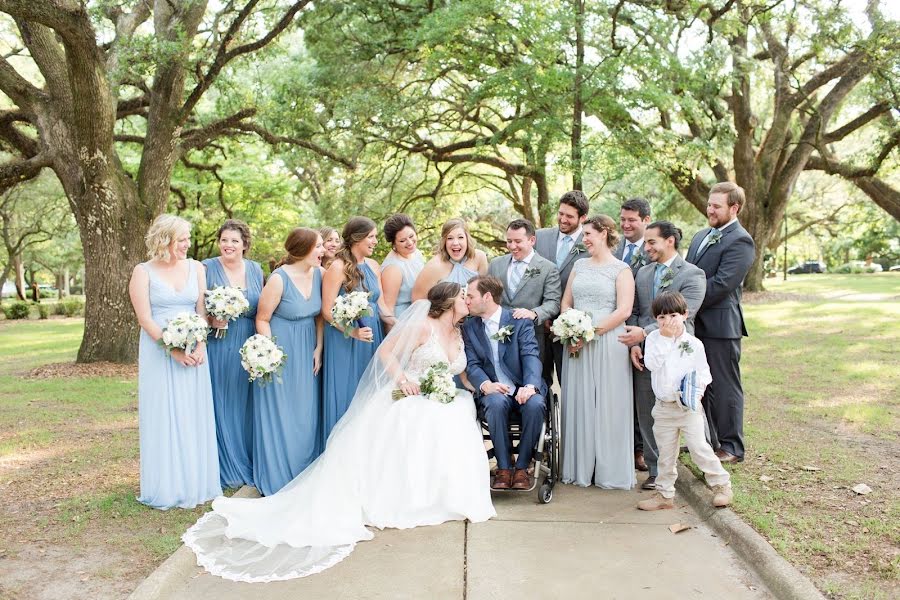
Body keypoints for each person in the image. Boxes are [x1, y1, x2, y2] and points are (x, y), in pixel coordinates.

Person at [183, 282, 495, 582]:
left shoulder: (458, 330)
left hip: (444, 398)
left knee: (458, 414)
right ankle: (410, 498)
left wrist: (483, 387)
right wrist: (403, 380)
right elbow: (386, 353)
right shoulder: (423, 326)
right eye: (462, 296)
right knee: (421, 420)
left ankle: (445, 495)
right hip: (410, 393)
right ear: (447, 302)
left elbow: (461, 371)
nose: (467, 300)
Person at [128, 214, 220, 509]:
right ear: (165, 240)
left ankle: (196, 481)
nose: (187, 245)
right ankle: (168, 484)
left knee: (193, 412)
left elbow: (202, 310)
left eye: (187, 239)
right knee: (165, 413)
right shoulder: (143, 272)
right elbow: (144, 318)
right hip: (159, 351)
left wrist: (201, 343)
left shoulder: (196, 268)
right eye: (182, 240)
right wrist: (173, 350)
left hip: (195, 350)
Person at [618, 221, 706, 491]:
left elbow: (681, 316)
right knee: (648, 412)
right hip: (645, 353)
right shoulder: (643, 273)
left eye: (651, 242)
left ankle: (704, 466)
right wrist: (635, 344)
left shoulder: (693, 274)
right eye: (646, 243)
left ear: (670, 241)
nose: (646, 248)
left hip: (679, 354)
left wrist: (643, 334)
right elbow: (634, 310)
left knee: (689, 409)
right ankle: (656, 471)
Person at [636, 291, 733, 511]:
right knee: (666, 453)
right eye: (661, 317)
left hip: (688, 407)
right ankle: (664, 494)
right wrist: (665, 339)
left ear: (685, 314)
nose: (667, 321)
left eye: (672, 315)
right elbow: (652, 364)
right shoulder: (653, 339)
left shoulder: (694, 343)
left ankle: (722, 485)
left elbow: (704, 373)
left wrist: (696, 392)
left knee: (699, 448)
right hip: (664, 407)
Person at [560, 214, 635, 489]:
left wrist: (590, 332)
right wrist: (571, 328)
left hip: (608, 341)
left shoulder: (621, 269)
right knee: (579, 402)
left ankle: (609, 471)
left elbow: (624, 310)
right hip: (576, 342)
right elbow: (566, 302)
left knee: (608, 403)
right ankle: (580, 468)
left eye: (588, 234)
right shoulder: (579, 265)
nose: (584, 239)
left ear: (603, 233)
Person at [685, 182, 755, 464]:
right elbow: (689, 274)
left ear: (734, 208)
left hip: (721, 326)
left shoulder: (741, 240)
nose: (709, 210)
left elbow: (723, 284)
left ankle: (731, 446)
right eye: (709, 204)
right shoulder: (701, 235)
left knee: (725, 387)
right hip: (695, 323)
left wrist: (686, 304)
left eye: (716, 206)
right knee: (702, 387)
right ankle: (707, 441)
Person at [253, 228, 325, 496]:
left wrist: (319, 346)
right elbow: (262, 318)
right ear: (304, 248)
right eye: (318, 246)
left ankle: (304, 471)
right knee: (282, 411)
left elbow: (320, 315)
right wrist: (270, 355)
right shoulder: (278, 279)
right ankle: (278, 474)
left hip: (308, 348)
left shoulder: (320, 274)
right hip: (281, 349)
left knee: (305, 412)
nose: (323, 251)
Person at [462, 275, 547, 491]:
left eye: (470, 296)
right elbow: (471, 364)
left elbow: (530, 355)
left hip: (522, 386)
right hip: (494, 390)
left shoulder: (518, 320)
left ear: (487, 296)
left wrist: (530, 386)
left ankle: (522, 467)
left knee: (536, 404)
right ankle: (504, 467)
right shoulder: (470, 327)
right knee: (495, 402)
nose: (466, 301)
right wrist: (485, 385)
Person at [321, 217, 396, 444]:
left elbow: (381, 304)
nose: (375, 241)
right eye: (371, 236)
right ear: (357, 239)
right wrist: (352, 332)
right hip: (345, 338)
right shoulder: (337, 267)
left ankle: (368, 445)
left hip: (372, 334)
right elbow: (326, 310)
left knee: (371, 391)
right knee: (348, 391)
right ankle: (341, 446)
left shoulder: (374, 266)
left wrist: (399, 325)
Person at [202, 220, 264, 490]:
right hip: (219, 342)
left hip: (248, 342)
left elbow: (262, 307)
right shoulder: (206, 268)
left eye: (234, 241)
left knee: (247, 403)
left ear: (245, 245)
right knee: (223, 401)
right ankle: (225, 465)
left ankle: (249, 459)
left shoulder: (256, 269)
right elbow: (197, 307)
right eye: (224, 240)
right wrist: (211, 319)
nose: (228, 245)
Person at [487, 218, 561, 365]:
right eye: (509, 241)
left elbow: (553, 302)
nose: (512, 246)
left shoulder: (548, 268)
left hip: (531, 337)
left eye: (518, 241)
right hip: (497, 337)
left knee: (534, 383)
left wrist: (533, 313)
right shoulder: (496, 264)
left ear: (532, 240)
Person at [534, 191, 590, 385]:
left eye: (569, 216)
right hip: (538, 325)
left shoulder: (591, 242)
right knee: (538, 381)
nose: (563, 219)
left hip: (573, 329)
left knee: (571, 383)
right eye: (561, 213)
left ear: (583, 218)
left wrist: (566, 322)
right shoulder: (539, 237)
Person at [411, 218, 488, 299]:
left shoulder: (480, 257)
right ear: (444, 241)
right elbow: (417, 299)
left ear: (467, 239)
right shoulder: (433, 267)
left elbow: (484, 293)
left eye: (460, 237)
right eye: (450, 238)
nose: (455, 243)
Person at [380, 213, 425, 319]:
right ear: (394, 244)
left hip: (420, 314)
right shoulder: (393, 268)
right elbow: (388, 309)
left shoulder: (416, 253)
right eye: (402, 240)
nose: (409, 242)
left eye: (411, 236)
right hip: (403, 320)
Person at [613, 197, 653, 277]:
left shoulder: (654, 249)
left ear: (646, 220)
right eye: (623, 219)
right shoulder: (611, 245)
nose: (626, 225)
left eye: (631, 220)